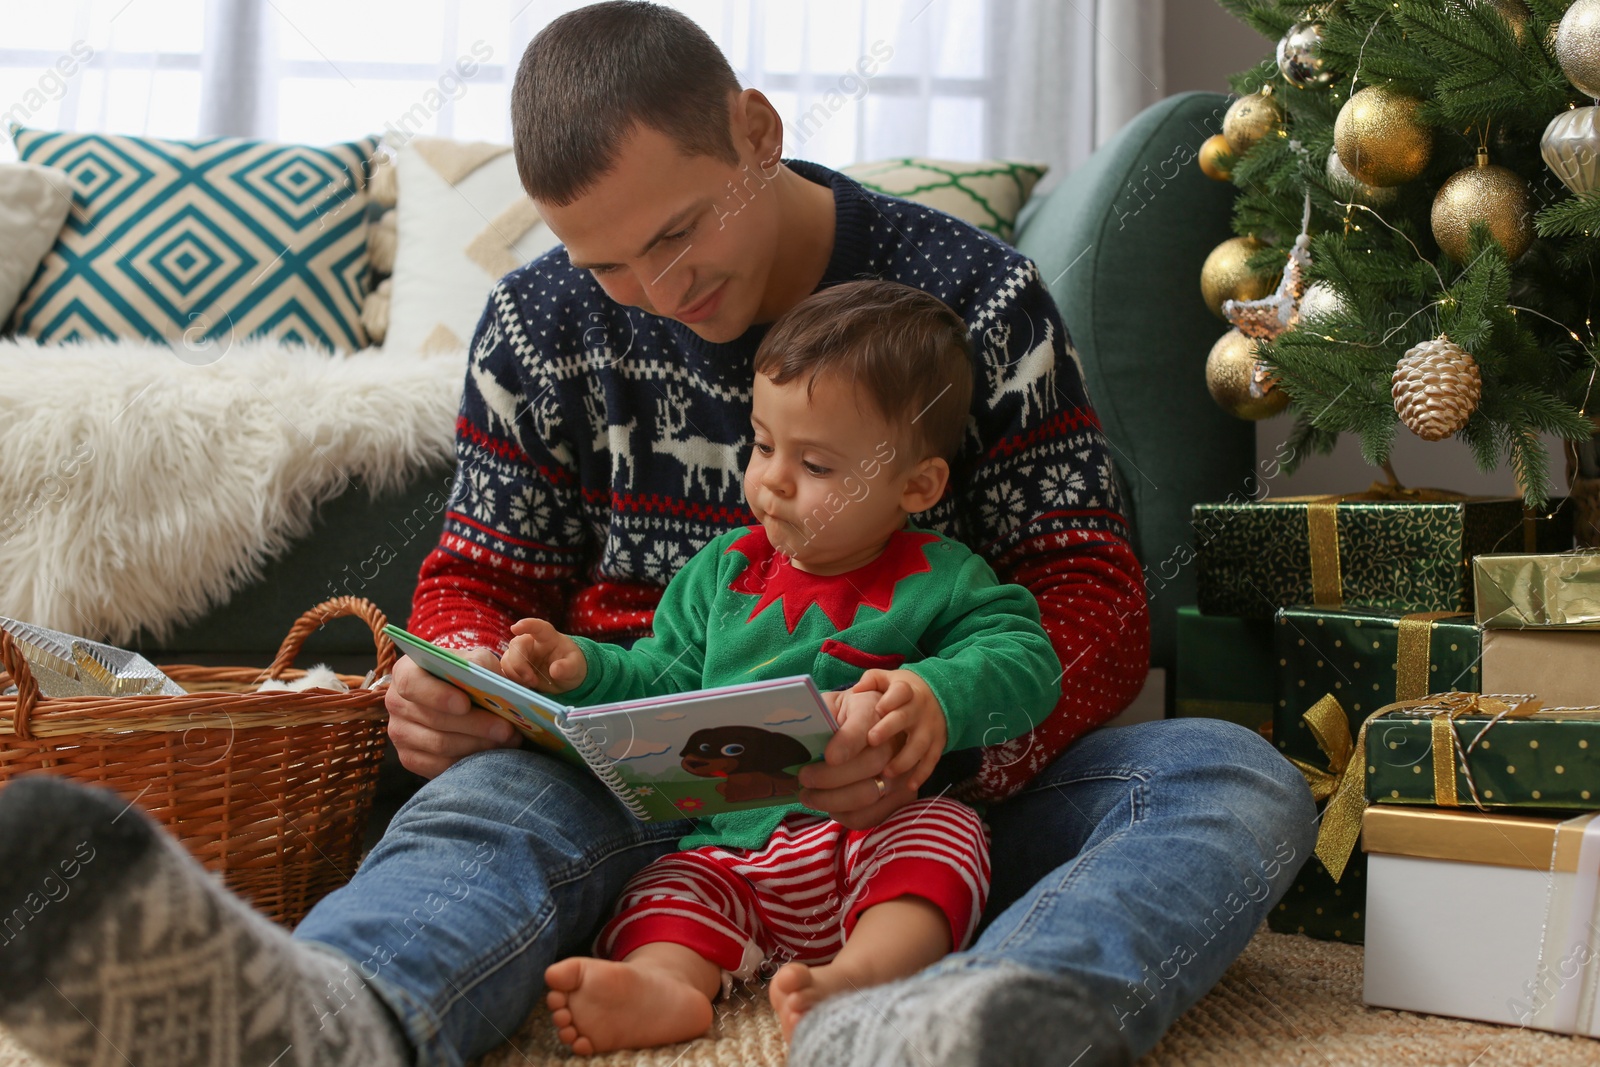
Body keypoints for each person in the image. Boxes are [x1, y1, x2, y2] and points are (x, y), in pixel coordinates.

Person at [0, 5, 1315, 1067]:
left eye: (681, 231)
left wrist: (954, 730)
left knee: (1227, 774)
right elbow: (473, 583)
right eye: (608, 260)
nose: (661, 291)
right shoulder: (539, 324)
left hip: (934, 809)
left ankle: (965, 1016)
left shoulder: (973, 296)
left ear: (755, 131)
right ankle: (336, 1014)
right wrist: (456, 677)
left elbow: (1087, 585)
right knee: (474, 812)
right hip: (638, 786)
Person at [501, 280, 1062, 1054]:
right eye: (764, 445)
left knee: (949, 838)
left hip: (871, 834)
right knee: (664, 890)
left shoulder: (946, 574)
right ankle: (669, 985)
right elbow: (660, 681)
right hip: (730, 851)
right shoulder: (721, 571)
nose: (773, 480)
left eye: (819, 466)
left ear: (917, 485)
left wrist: (935, 692)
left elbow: (1027, 661)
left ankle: (860, 975)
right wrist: (582, 667)